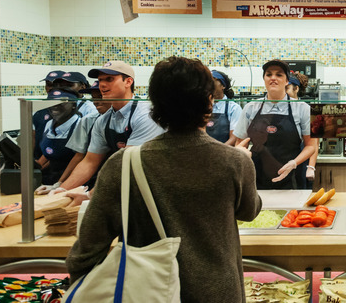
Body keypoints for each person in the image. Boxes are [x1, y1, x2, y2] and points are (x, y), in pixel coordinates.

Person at [66, 56, 261, 303]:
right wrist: (246, 162)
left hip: (146, 292)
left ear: (155, 104)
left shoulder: (124, 163)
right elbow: (248, 211)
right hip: (217, 292)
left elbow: (87, 250)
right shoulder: (234, 161)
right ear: (209, 103)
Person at [56, 60, 164, 192]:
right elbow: (90, 162)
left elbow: (128, 163)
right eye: (100, 80)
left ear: (128, 82)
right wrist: (61, 190)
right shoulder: (103, 120)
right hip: (124, 186)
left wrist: (93, 194)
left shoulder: (145, 114)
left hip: (152, 188)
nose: (102, 85)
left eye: (109, 79)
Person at [233, 59, 317, 189]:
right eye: (269, 74)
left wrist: (294, 163)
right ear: (264, 79)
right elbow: (239, 142)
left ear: (287, 80)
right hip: (256, 177)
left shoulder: (302, 108)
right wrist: (244, 157)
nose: (273, 78)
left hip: (292, 177)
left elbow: (311, 145)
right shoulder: (251, 108)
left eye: (279, 75)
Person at [36, 81, 112, 195]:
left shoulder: (132, 118)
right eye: (93, 97)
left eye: (101, 96)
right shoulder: (88, 121)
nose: (96, 101)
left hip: (109, 181)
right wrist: (59, 185)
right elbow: (80, 157)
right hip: (83, 181)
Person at [34, 89, 83, 186]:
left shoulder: (80, 124)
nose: (54, 106)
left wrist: (60, 184)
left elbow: (79, 157)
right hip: (49, 180)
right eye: (51, 102)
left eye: (60, 103)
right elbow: (50, 154)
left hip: (71, 181)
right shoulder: (49, 124)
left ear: (73, 105)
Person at [287, 73, 319, 189]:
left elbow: (314, 143)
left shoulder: (306, 109)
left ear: (296, 89)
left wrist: (311, 167)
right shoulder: (279, 107)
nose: (285, 92)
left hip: (302, 162)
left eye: (287, 88)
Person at [33, 70, 65, 162]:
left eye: (54, 84)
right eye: (48, 84)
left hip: (57, 162)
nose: (50, 88)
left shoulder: (68, 109)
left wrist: (41, 164)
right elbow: (32, 136)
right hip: (38, 161)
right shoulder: (38, 110)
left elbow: (58, 144)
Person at [207, 70, 243, 145]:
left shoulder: (233, 108)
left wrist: (220, 152)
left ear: (223, 86)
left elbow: (234, 138)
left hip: (225, 153)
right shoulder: (202, 107)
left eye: (212, 81)